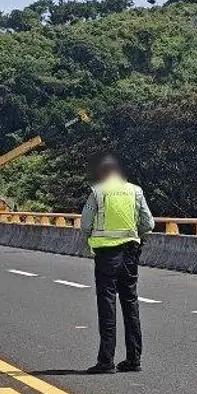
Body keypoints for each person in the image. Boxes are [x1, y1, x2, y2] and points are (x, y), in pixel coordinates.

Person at [80, 156, 155, 373]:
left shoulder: (98, 192)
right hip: (130, 254)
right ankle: (134, 359)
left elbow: (85, 223)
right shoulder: (135, 191)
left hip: (106, 255)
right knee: (130, 303)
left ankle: (106, 361)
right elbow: (148, 223)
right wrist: (136, 235)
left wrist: (88, 242)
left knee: (107, 305)